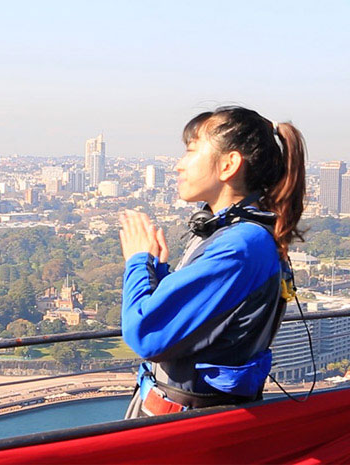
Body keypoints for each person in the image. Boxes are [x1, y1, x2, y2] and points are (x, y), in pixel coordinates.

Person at [119, 106, 305, 418]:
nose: (179, 165)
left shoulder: (240, 245)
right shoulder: (224, 232)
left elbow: (146, 334)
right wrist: (159, 272)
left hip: (186, 428)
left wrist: (137, 263)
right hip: (181, 417)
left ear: (229, 164)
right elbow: (200, 323)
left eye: (190, 151)